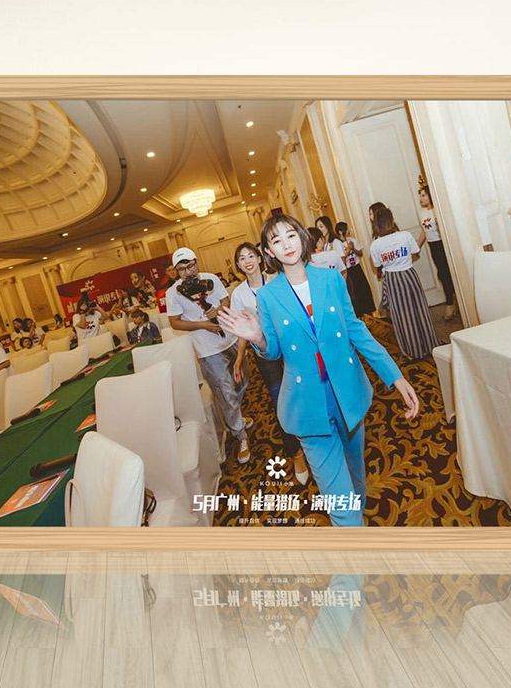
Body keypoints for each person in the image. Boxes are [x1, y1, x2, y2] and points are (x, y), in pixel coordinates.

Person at [217, 214, 420, 527]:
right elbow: (274, 350)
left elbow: (356, 330)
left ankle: (358, 520)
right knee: (339, 501)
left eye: (290, 235)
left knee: (356, 473)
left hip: (347, 391)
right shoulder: (268, 296)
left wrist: (396, 376)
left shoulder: (331, 279)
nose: (286, 245)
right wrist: (258, 338)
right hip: (307, 403)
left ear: (301, 236)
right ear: (268, 252)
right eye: (275, 241)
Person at [230, 242, 310, 484]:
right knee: (280, 400)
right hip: (263, 352)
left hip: (290, 344)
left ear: (259, 257)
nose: (247, 261)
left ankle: (313, 439)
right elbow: (243, 331)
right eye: (242, 258)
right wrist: (240, 357)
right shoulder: (239, 295)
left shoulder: (277, 279)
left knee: (305, 390)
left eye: (250, 255)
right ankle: (296, 453)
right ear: (238, 265)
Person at [166, 247, 251, 465]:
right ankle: (240, 434)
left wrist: (218, 311)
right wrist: (203, 324)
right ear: (176, 272)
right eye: (182, 269)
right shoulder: (173, 293)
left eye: (190, 266)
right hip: (208, 350)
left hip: (230, 338)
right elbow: (174, 322)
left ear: (196, 262)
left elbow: (225, 301)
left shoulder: (210, 279)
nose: (188, 272)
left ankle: (235, 417)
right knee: (225, 392)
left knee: (243, 381)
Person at [370, 207, 441, 360]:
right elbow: (415, 252)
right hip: (409, 274)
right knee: (420, 309)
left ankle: (413, 351)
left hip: (393, 279)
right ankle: (430, 345)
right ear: (392, 220)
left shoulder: (375, 245)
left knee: (402, 316)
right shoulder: (405, 235)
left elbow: (377, 264)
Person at [417, 185, 457, 320]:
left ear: (430, 196)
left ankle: (451, 303)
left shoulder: (437, 210)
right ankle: (453, 299)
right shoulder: (423, 213)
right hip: (432, 245)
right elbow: (424, 230)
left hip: (442, 244)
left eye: (423, 195)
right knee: (442, 274)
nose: (421, 198)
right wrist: (418, 246)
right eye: (420, 196)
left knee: (446, 273)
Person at [334, 221, 375, 318]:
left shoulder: (352, 240)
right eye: (347, 229)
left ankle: (369, 314)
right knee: (354, 294)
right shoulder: (337, 243)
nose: (349, 230)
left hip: (357, 268)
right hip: (348, 271)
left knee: (364, 290)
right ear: (340, 232)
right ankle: (359, 316)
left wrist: (353, 249)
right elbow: (341, 258)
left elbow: (360, 253)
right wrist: (348, 249)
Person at [368, 202, 390, 318]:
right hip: (384, 270)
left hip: (390, 270)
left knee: (385, 305)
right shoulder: (376, 232)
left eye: (371, 214)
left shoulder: (386, 231)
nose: (370, 217)